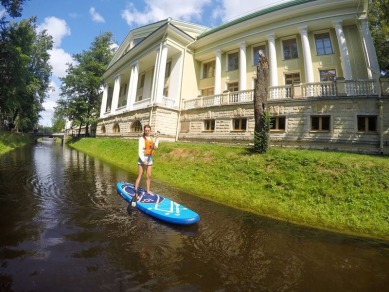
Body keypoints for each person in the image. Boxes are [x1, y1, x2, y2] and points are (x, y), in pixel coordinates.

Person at [134, 125, 159, 200]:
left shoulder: (152, 138)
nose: (147, 131)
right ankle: (135, 193)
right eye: (146, 130)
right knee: (140, 175)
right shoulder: (141, 139)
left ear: (150, 131)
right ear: (144, 131)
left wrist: (157, 140)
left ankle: (148, 190)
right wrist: (143, 160)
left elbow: (155, 147)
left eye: (148, 130)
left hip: (150, 158)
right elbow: (140, 151)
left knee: (149, 175)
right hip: (143, 158)